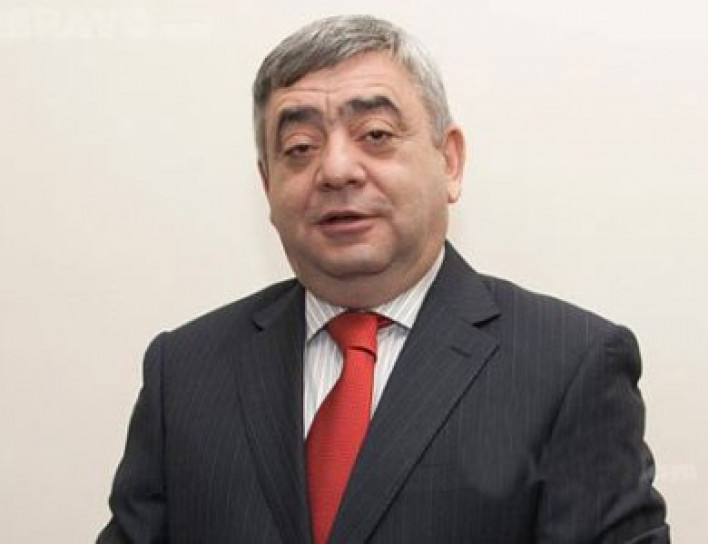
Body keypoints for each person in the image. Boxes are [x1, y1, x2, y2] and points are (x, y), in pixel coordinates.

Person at [97, 14, 669, 543]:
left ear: (449, 161)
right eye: (300, 147)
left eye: (375, 134)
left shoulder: (570, 366)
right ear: (267, 185)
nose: (335, 170)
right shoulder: (185, 372)